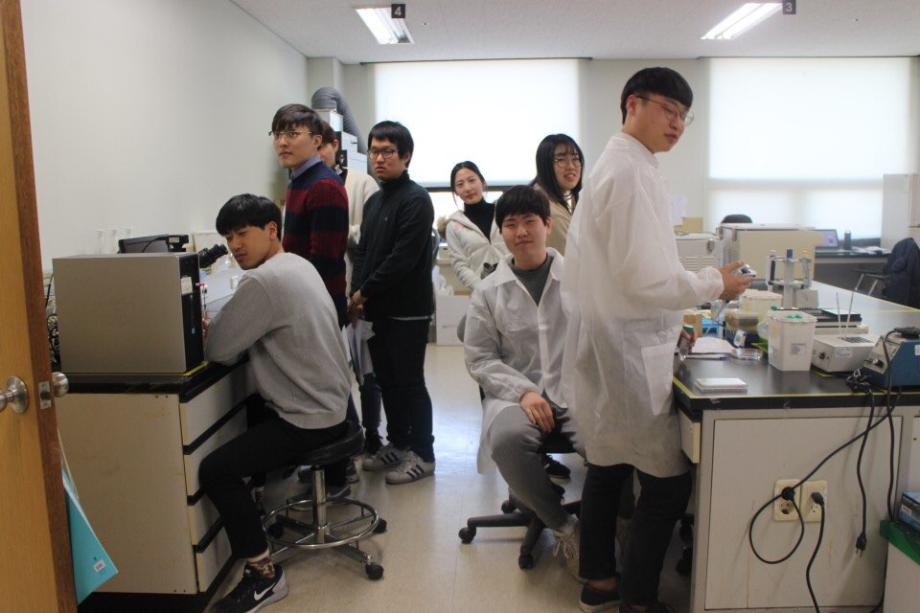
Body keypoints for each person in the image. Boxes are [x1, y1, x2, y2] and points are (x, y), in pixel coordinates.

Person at [562, 67, 751, 613]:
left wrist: (685, 303)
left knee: (607, 465)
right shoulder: (629, 171)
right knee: (666, 482)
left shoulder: (621, 163)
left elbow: (631, 266)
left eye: (684, 116)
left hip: (608, 338)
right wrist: (715, 283)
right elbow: (643, 279)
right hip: (627, 345)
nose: (677, 124)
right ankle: (638, 600)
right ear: (633, 104)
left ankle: (599, 580)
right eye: (668, 110)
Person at [199, 194, 351, 613]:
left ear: (271, 230)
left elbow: (219, 350)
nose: (234, 245)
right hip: (335, 404)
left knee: (215, 470)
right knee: (251, 412)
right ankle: (256, 509)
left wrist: (212, 328)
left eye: (242, 233)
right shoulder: (298, 264)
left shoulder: (263, 281)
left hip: (309, 418)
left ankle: (264, 576)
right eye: (228, 237)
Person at [464, 185, 583, 576]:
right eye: (510, 224)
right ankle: (563, 525)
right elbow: (480, 357)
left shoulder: (579, 279)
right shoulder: (488, 291)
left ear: (547, 225)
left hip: (576, 390)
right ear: (501, 232)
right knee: (507, 440)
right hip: (516, 394)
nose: (520, 232)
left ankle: (612, 525)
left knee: (609, 442)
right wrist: (525, 391)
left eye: (529, 221)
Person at [349, 120, 436, 485]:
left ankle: (424, 454)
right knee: (386, 380)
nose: (379, 158)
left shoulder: (416, 200)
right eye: (374, 151)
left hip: (408, 311)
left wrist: (363, 292)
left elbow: (402, 259)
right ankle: (399, 443)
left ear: (406, 156)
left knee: (410, 382)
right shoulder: (374, 201)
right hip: (376, 310)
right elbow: (364, 252)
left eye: (387, 151)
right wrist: (356, 293)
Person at [318, 122, 385, 457]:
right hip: (321, 294)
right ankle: (347, 434)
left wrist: (338, 232)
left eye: (322, 146)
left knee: (366, 371)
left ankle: (372, 433)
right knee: (333, 370)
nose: (318, 153)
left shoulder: (361, 183)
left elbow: (373, 236)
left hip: (356, 289)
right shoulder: (303, 187)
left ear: (334, 145)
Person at [271, 104, 350, 327]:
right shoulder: (300, 180)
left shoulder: (323, 186)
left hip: (318, 308)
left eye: (292, 134)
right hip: (304, 302)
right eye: (277, 134)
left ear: (316, 141)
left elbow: (323, 263)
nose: (282, 142)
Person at [444, 161, 507, 290]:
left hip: (515, 285)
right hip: (482, 292)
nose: (467, 188)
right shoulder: (453, 225)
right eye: (460, 184)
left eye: (472, 180)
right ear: (456, 191)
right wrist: (482, 288)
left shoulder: (504, 212)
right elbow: (459, 265)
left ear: (482, 182)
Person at [531, 134, 584, 255]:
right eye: (561, 160)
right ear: (545, 165)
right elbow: (573, 257)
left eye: (575, 159)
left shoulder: (557, 200)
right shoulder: (548, 210)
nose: (571, 166)